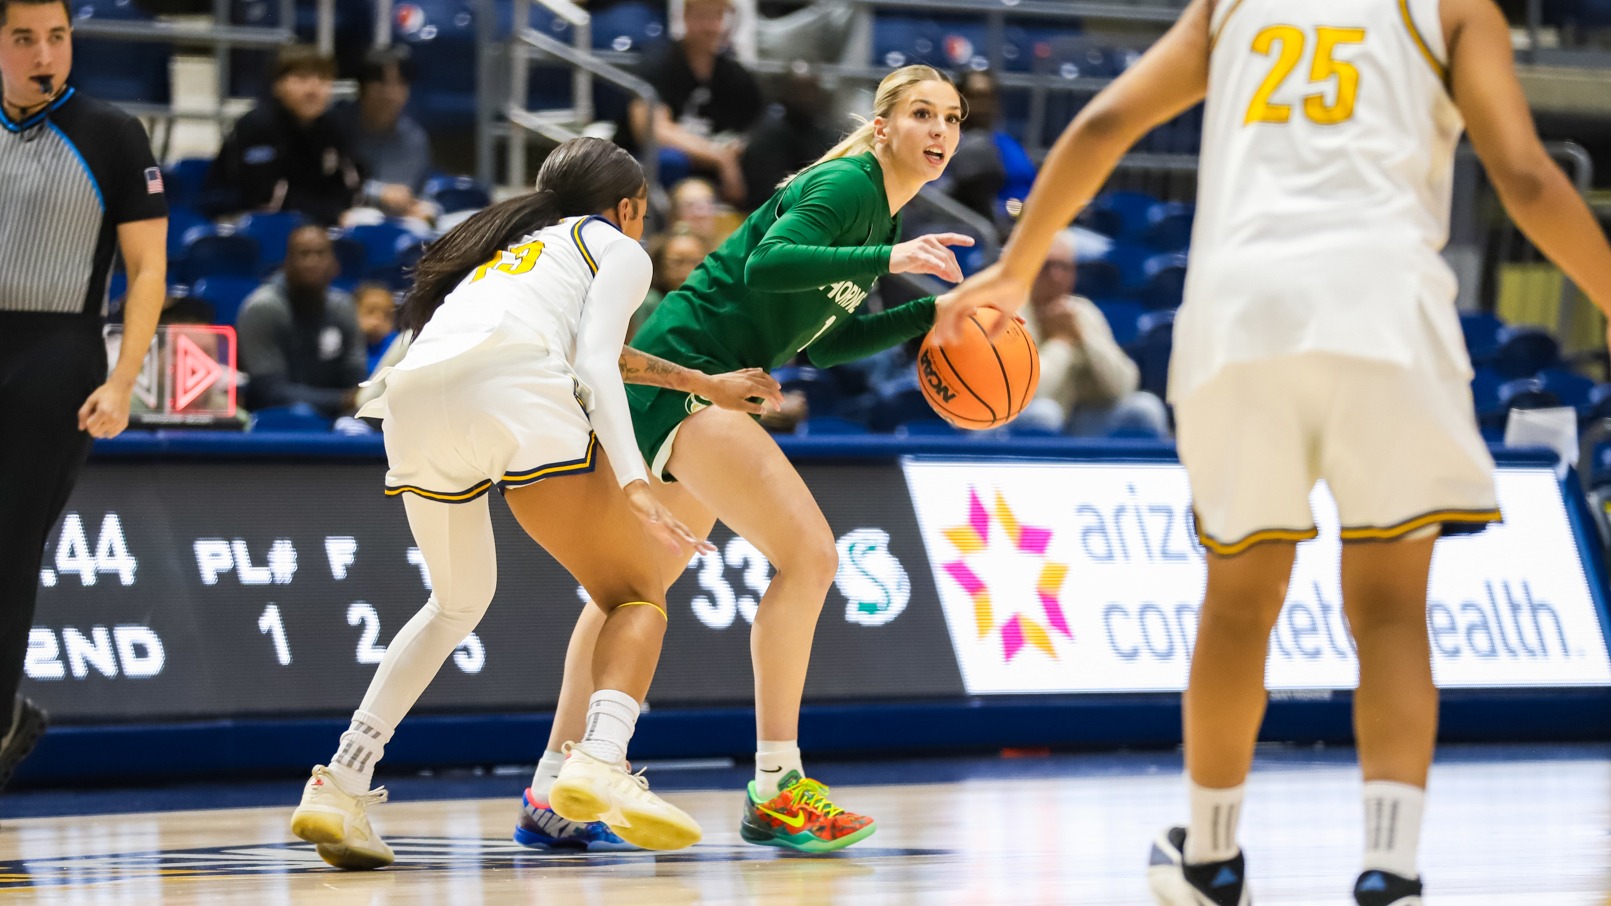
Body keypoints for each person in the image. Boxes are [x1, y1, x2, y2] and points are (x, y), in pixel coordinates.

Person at [940, 0, 1611, 903]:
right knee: (1389, 612)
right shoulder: (1458, 10)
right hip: (1383, 313)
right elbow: (1524, 178)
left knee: (1236, 606)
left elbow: (1102, 123)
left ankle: (1211, 859)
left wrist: (1018, 267)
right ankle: (1389, 870)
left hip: (1240, 319)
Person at [289, 137, 783, 868]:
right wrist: (633, 479)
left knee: (454, 604)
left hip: (414, 399)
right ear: (629, 207)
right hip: (510, 394)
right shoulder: (618, 247)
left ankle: (341, 779)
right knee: (634, 594)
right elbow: (592, 364)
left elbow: (589, 350)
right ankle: (599, 758)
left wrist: (700, 385)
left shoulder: (511, 250)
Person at [535, 64, 974, 854]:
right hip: (691, 374)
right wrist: (892, 259)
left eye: (951, 117)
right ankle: (776, 785)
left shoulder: (876, 210)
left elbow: (826, 343)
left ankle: (550, 792)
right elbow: (768, 263)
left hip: (683, 380)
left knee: (628, 591)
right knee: (810, 558)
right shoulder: (849, 185)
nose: (939, 129)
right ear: (882, 126)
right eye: (921, 113)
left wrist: (931, 311)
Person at [0, 0, 168, 790]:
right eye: (24, 38)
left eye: (57, 37)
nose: (45, 54)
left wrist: (122, 378)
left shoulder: (112, 134)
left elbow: (148, 271)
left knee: (8, 551)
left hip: (57, 356)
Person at [1018, 230, 1169, 437]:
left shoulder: (1082, 312)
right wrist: (1060, 342)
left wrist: (1083, 338)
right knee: (1043, 414)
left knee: (1145, 407)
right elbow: (1028, 394)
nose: (1056, 276)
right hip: (1022, 421)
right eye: (1047, 266)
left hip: (1083, 421)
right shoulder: (1014, 314)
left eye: (1064, 267)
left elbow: (1124, 385)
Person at [615, 0, 763, 204]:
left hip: (714, 164)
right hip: (659, 160)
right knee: (670, 161)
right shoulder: (658, 62)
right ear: (684, 17)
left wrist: (737, 151)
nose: (711, 27)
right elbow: (652, 130)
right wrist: (719, 157)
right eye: (703, 17)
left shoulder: (735, 75)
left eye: (718, 17)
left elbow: (756, 129)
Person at [205, 44, 361, 226]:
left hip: (313, 222)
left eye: (323, 79)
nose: (313, 90)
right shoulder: (257, 126)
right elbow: (264, 197)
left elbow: (351, 186)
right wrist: (331, 215)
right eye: (302, 78)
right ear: (277, 86)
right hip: (238, 222)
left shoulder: (333, 127)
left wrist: (338, 212)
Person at [237, 226, 368, 418]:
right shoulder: (262, 308)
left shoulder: (343, 306)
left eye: (320, 254)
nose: (312, 262)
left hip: (337, 419)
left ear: (334, 264)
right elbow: (269, 390)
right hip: (273, 422)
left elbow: (356, 378)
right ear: (287, 263)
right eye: (303, 254)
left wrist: (355, 398)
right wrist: (342, 400)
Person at [334, 47, 433, 221]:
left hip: (398, 222)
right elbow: (324, 185)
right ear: (362, 88)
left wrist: (422, 208)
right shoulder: (334, 129)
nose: (390, 94)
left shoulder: (414, 138)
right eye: (381, 84)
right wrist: (379, 193)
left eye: (400, 83)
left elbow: (417, 192)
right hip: (344, 218)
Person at [945, 68, 1036, 236]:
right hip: (975, 234)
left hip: (1027, 227)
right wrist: (1013, 211)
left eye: (989, 97)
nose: (983, 105)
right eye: (975, 96)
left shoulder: (1009, 144)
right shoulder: (942, 144)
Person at [740, 61, 840, 211]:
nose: (807, 98)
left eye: (812, 90)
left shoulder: (825, 132)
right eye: (800, 90)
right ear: (784, 92)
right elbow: (768, 193)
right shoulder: (767, 135)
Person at [631, 226, 709, 339]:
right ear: (660, 264)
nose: (686, 270)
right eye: (677, 262)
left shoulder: (708, 302)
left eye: (695, 262)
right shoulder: (651, 302)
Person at [353, 282, 398, 374]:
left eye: (387, 315)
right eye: (370, 312)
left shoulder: (396, 344)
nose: (379, 319)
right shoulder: (343, 340)